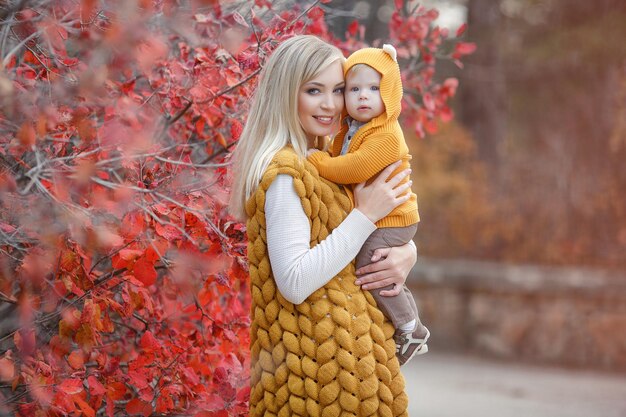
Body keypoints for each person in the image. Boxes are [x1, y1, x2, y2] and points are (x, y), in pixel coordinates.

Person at [229, 35, 416, 417]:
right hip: (314, 383)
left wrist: (406, 252)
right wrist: (364, 216)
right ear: (286, 94)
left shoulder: (325, 163)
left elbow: (352, 246)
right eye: (314, 90)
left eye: (339, 89)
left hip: (347, 377)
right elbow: (295, 282)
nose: (331, 104)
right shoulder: (286, 174)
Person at [307, 44, 430, 366]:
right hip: (380, 216)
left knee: (370, 264)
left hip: (393, 218)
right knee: (374, 265)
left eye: (374, 88)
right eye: (354, 88)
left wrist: (317, 161)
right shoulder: (353, 129)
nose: (363, 96)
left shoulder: (387, 134)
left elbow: (355, 168)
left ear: (388, 93)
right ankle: (403, 317)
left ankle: (409, 326)